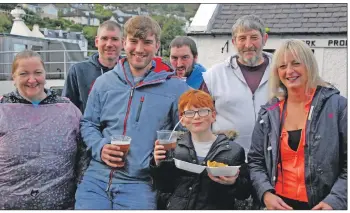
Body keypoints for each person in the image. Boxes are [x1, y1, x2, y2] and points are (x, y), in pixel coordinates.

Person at [75, 15, 190, 210]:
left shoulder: (176, 89)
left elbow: (186, 135)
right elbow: (89, 123)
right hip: (95, 180)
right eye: (134, 41)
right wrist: (100, 147)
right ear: (124, 43)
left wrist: (163, 155)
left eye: (146, 42)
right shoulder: (104, 83)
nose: (139, 49)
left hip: (141, 183)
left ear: (157, 46)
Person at [248, 39, 347, 210]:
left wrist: (335, 201)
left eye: (296, 64)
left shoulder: (337, 107)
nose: (289, 71)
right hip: (278, 205)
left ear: (309, 66)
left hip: (322, 205)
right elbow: (255, 161)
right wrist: (265, 193)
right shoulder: (269, 112)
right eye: (282, 66)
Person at [0, 50, 88, 209]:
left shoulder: (68, 109)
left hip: (61, 205)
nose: (32, 79)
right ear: (13, 77)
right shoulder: (2, 109)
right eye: (24, 73)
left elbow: (83, 156)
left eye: (38, 73)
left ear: (45, 75)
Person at [150, 90, 251, 210]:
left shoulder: (233, 151)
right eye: (190, 112)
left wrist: (233, 183)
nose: (196, 117)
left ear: (213, 116)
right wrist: (157, 164)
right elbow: (163, 186)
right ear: (182, 119)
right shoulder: (174, 147)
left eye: (203, 111)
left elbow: (244, 192)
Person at [200, 15, 272, 156]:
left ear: (265, 39)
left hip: (273, 160)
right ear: (234, 42)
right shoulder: (214, 75)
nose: (248, 44)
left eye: (254, 37)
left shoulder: (281, 71)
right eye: (242, 38)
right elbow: (199, 116)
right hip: (226, 158)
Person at [62, 20, 123, 113]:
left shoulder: (130, 71)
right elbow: (67, 110)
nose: (109, 44)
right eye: (104, 38)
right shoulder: (78, 71)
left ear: (123, 43)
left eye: (114, 39)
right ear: (96, 42)